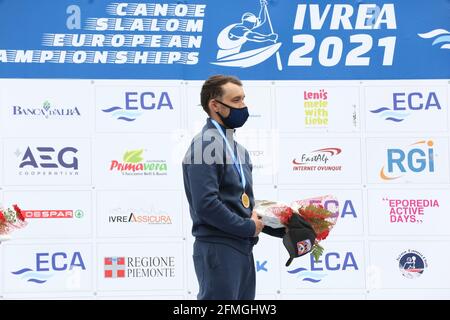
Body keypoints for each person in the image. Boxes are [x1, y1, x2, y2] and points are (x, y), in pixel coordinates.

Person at [182, 75, 283, 300]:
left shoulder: (239, 150)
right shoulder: (204, 145)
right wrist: (248, 227)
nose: (243, 107)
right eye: (236, 101)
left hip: (242, 248)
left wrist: (286, 225)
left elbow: (242, 205)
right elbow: (206, 205)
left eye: (244, 100)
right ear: (215, 105)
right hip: (218, 247)